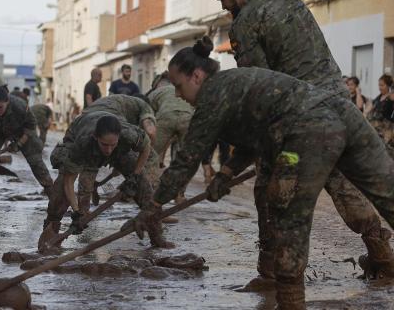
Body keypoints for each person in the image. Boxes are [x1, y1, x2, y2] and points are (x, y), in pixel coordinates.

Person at [129, 39, 394, 310]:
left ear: (196, 76)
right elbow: (254, 137)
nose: (177, 94)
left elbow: (186, 161)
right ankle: (386, 262)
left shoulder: (212, 96)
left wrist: (153, 206)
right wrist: (226, 173)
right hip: (343, 114)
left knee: (289, 217)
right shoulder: (234, 84)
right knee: (388, 195)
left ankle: (290, 302)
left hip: (308, 133)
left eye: (178, 85)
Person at [208, 0, 394, 287]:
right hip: (338, 104)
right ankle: (382, 255)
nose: (223, 6)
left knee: (269, 189)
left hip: (299, 117)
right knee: (342, 183)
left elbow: (259, 92)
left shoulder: (245, 23)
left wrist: (232, 165)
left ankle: (270, 275)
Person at [38, 112, 172, 253]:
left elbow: (146, 147)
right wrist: (77, 212)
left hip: (121, 151)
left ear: (119, 138)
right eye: (104, 144)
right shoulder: (81, 144)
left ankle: (157, 236)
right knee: (60, 194)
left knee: (144, 187)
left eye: (112, 145)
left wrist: (135, 176)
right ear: (96, 137)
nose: (108, 150)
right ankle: (50, 234)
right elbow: (68, 182)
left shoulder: (129, 134)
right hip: (82, 141)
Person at [0, 86, 53, 207]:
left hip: (22, 130)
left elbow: (31, 126)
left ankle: (54, 199)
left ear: (7, 102)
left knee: (36, 161)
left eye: (0, 107)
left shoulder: (20, 106)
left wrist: (19, 143)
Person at [367, 74, 394, 148]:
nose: (379, 88)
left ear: (389, 86)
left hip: (386, 133)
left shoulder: (391, 98)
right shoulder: (378, 97)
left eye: (382, 85)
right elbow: (368, 110)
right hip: (375, 131)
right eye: (379, 85)